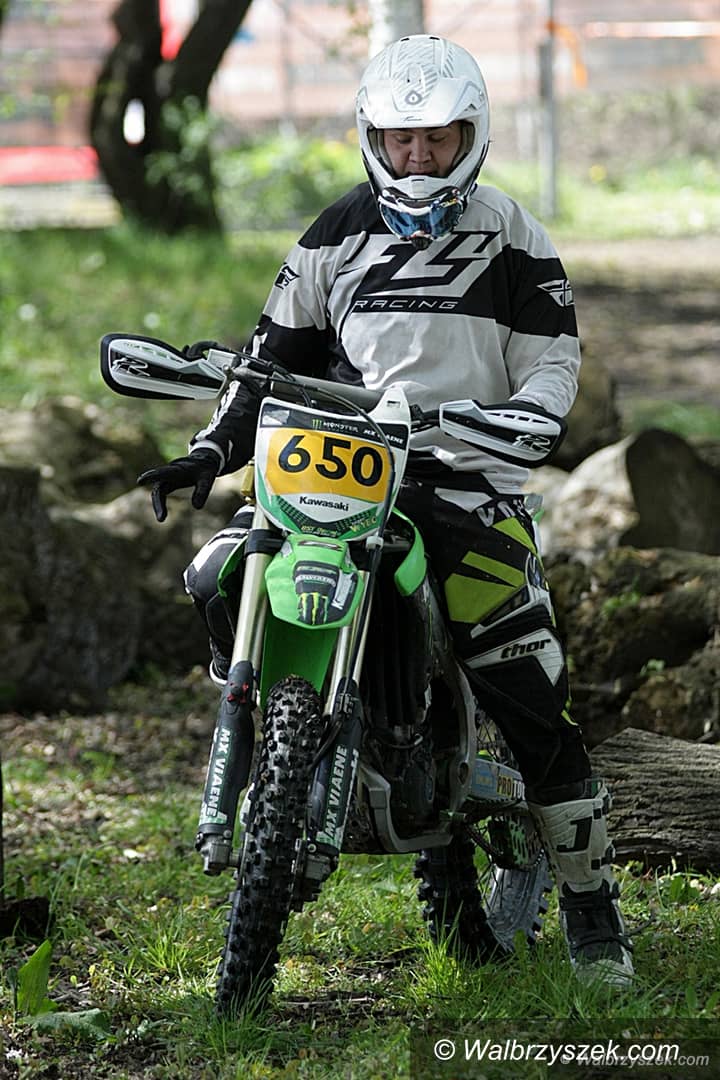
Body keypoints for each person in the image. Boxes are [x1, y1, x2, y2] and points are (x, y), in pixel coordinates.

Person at [138, 34, 633, 987]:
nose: (416, 158)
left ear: (471, 135)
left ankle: (594, 917)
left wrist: (520, 420)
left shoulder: (517, 238)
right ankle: (281, 722)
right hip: (338, 464)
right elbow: (269, 356)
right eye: (400, 140)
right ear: (371, 137)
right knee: (224, 567)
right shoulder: (333, 232)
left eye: (436, 139)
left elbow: (551, 367)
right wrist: (210, 448)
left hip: (464, 477)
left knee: (525, 672)